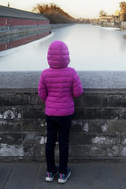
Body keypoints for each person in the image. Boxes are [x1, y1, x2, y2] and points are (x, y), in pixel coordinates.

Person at [38, 40, 83, 184]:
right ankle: (63, 173)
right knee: (63, 143)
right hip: (66, 113)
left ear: (49, 56)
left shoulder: (45, 74)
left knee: (50, 142)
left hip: (50, 113)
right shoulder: (71, 72)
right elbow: (78, 92)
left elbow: (41, 93)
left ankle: (50, 172)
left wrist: (50, 103)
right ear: (66, 55)